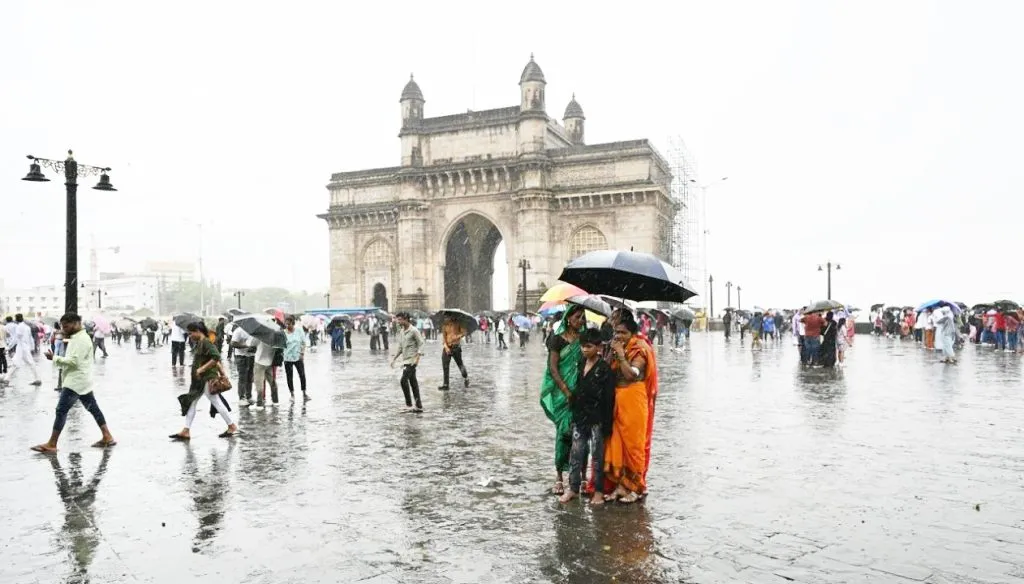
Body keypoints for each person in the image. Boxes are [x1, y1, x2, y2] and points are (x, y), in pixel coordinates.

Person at [30, 313, 116, 452]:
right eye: (63, 326)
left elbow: (74, 362)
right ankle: (107, 436)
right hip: (82, 380)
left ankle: (52, 444)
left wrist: (55, 358)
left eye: (66, 326)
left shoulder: (80, 340)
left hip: (75, 382)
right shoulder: (78, 337)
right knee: (93, 408)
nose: (64, 329)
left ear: (76, 323)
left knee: (61, 410)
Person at [559, 327, 615, 505]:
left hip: (597, 419)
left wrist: (607, 424)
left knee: (597, 456)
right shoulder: (581, 364)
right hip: (580, 417)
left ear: (598, 348)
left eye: (589, 346)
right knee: (576, 454)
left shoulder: (604, 369)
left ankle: (598, 491)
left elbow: (609, 399)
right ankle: (573, 488)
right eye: (583, 346)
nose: (584, 350)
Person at [603, 312, 652, 504]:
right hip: (617, 400)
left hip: (633, 399)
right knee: (618, 445)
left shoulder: (640, 349)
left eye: (623, 333)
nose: (619, 336)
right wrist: (611, 353)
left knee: (633, 446)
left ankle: (637, 487)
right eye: (617, 332)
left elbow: (632, 374)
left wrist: (622, 356)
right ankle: (622, 486)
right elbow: (607, 371)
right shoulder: (616, 347)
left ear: (632, 333)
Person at [540, 304, 586, 495]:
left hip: (581, 392)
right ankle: (559, 475)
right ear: (568, 318)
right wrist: (566, 390)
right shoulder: (556, 339)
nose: (580, 321)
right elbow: (553, 368)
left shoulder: (584, 339)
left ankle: (582, 475)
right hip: (563, 393)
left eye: (583, 317)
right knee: (564, 433)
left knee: (583, 435)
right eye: (577, 317)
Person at [169, 322, 238, 440]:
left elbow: (216, 356)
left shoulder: (205, 342)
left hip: (206, 378)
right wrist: (222, 372)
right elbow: (214, 359)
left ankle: (231, 426)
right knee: (192, 402)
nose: (189, 336)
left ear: (197, 331)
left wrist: (202, 369)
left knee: (215, 401)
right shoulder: (201, 343)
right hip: (199, 380)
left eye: (191, 333)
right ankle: (186, 430)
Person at [391, 312, 424, 413]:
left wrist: (418, 357)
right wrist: (394, 358)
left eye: (400, 319)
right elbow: (401, 347)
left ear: (406, 319)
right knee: (413, 382)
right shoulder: (401, 331)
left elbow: (421, 343)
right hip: (405, 360)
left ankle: (409, 405)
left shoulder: (414, 330)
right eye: (398, 319)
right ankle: (418, 406)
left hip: (412, 360)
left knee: (403, 380)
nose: (398, 321)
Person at [8, 314, 41, 386]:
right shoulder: (27, 327)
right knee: (26, 362)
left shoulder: (19, 327)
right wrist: (32, 348)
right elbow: (30, 338)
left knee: (17, 363)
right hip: (25, 347)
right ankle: (37, 378)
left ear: (16, 319)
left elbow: (16, 339)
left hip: (21, 347)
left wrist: (9, 346)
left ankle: (7, 379)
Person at [283, 316, 310, 401]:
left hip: (298, 356)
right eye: (286, 324)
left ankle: (304, 393)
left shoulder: (299, 330)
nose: (287, 325)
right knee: (289, 376)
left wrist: (302, 353)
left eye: (289, 324)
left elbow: (303, 342)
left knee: (302, 375)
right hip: (287, 357)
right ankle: (292, 394)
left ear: (293, 323)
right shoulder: (283, 333)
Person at [439, 316, 469, 390]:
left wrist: (457, 336)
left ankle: (466, 377)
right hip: (447, 347)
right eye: (447, 317)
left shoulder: (459, 323)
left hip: (456, 347)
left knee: (460, 364)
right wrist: (446, 347)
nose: (448, 318)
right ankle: (446, 384)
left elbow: (464, 332)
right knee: (445, 366)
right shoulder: (445, 325)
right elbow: (444, 337)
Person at [230, 325, 256, 407]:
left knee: (249, 377)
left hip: (251, 356)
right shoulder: (239, 331)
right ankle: (241, 398)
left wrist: (254, 348)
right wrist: (246, 346)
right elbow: (233, 343)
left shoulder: (254, 331)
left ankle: (249, 396)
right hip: (241, 357)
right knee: (242, 378)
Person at [253, 336, 279, 409]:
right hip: (269, 362)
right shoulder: (276, 338)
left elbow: (251, 344)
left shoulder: (260, 336)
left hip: (259, 363)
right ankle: (275, 401)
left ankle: (259, 404)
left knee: (259, 383)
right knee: (272, 382)